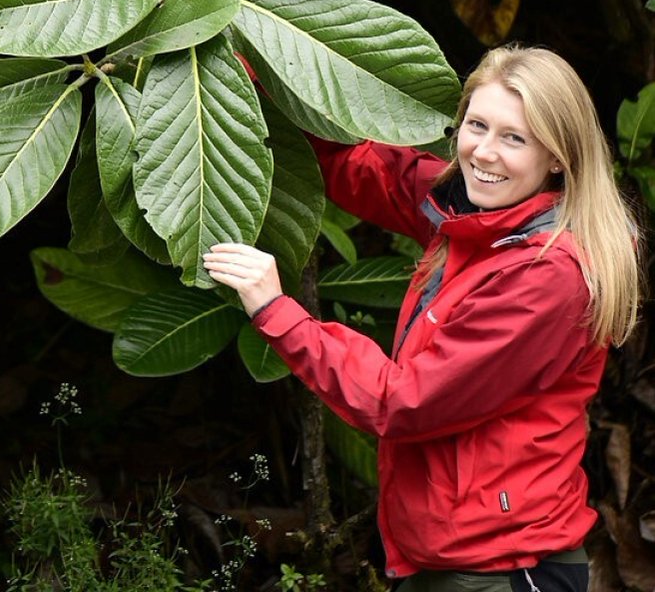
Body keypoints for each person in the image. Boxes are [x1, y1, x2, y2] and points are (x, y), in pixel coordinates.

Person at [203, 44, 642, 592]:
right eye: (476, 125)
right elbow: (360, 167)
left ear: (557, 157)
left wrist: (277, 310)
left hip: (501, 567)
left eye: (514, 138)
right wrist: (242, 60)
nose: (484, 152)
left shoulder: (550, 274)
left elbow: (403, 401)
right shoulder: (481, 212)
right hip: (451, 554)